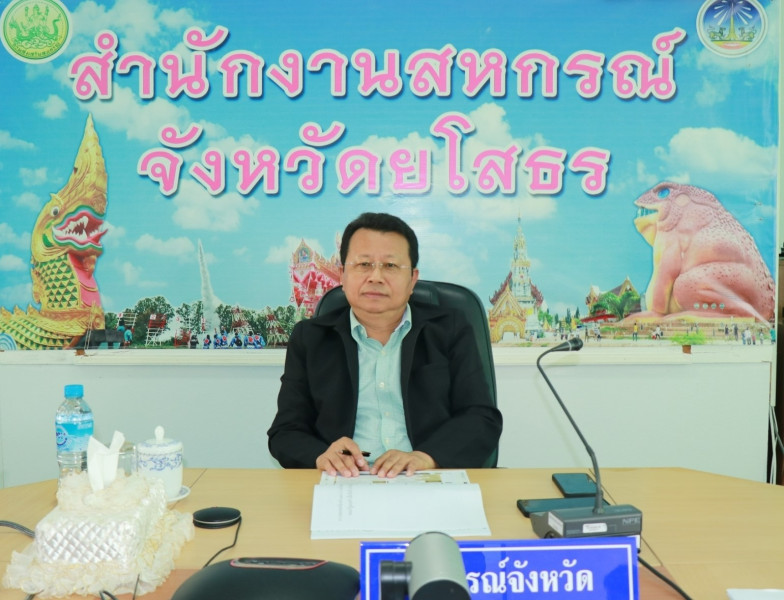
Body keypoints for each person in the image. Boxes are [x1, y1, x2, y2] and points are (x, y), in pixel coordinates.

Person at [267, 212, 503, 478]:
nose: (376, 277)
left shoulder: (450, 329)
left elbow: (481, 419)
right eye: (364, 264)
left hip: (426, 478)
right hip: (344, 481)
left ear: (412, 279)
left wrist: (425, 458)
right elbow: (286, 432)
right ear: (343, 275)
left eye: (390, 265)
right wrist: (321, 455)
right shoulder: (310, 338)